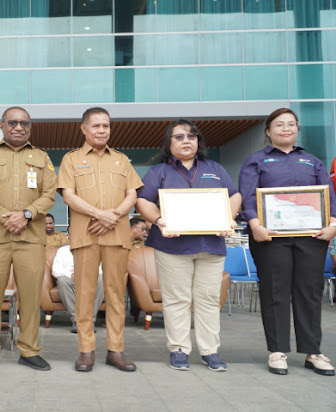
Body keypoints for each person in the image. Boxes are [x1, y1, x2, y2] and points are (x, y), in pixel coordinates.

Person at [136, 119, 242, 372]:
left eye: (191, 136)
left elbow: (234, 195)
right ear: (169, 143)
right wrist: (160, 221)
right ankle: (179, 349)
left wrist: (228, 218)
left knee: (207, 299)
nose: (186, 141)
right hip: (172, 247)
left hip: (210, 245)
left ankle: (210, 351)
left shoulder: (215, 168)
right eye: (179, 137)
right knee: (177, 299)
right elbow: (143, 201)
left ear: (198, 142)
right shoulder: (158, 171)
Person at [239, 107, 336, 376]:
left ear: (297, 130)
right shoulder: (256, 161)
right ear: (268, 131)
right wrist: (255, 224)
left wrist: (333, 225)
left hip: (312, 238)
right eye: (279, 125)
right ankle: (277, 351)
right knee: (275, 292)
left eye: (291, 124)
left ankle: (313, 351)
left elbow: (329, 196)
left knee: (309, 293)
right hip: (270, 239)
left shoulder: (312, 161)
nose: (286, 128)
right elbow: (247, 196)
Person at [0, 106, 57, 371]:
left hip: (30, 239)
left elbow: (50, 192)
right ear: (2, 125)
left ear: (30, 127)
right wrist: (6, 216)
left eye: (24, 123)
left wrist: (27, 214)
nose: (19, 127)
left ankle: (29, 351)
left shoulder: (41, 157)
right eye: (13, 123)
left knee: (31, 298)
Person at [58, 107, 143, 373]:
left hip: (117, 234)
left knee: (116, 295)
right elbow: (68, 196)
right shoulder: (71, 160)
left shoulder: (122, 160)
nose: (101, 130)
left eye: (106, 126)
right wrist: (99, 214)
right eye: (96, 126)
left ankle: (116, 351)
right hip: (86, 234)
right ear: (84, 129)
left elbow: (132, 194)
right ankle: (86, 351)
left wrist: (114, 215)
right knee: (85, 293)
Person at [51, 244, 104, 333]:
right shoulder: (62, 251)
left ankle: (90, 320)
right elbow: (55, 270)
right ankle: (76, 320)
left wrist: (85, 274)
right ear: (69, 235)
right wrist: (70, 274)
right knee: (62, 280)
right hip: (69, 278)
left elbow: (100, 269)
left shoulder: (93, 248)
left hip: (89, 277)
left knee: (102, 280)